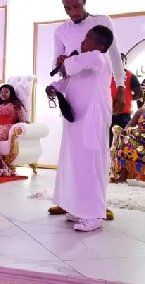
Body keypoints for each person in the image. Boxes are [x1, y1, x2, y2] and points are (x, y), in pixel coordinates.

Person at [48, 0, 125, 220]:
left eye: (77, 5)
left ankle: (97, 205)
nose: (73, 12)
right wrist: (60, 68)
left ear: (84, 0)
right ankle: (69, 202)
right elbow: (58, 68)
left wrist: (120, 88)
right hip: (73, 97)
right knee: (71, 152)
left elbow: (114, 57)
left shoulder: (102, 22)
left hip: (95, 97)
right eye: (68, 8)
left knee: (95, 151)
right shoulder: (60, 31)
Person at [46, 25, 113, 232]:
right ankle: (77, 208)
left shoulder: (97, 57)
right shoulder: (85, 61)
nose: (83, 41)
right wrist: (55, 87)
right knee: (75, 163)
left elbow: (71, 66)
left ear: (99, 45)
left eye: (88, 38)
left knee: (90, 165)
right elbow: (68, 81)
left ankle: (93, 215)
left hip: (91, 119)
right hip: (77, 119)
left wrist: (64, 61)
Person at [109, 53, 143, 147]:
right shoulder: (105, 74)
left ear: (124, 62)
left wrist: (127, 98)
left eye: (120, 61)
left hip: (123, 114)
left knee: (123, 143)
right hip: (107, 113)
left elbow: (140, 93)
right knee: (108, 143)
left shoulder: (130, 76)